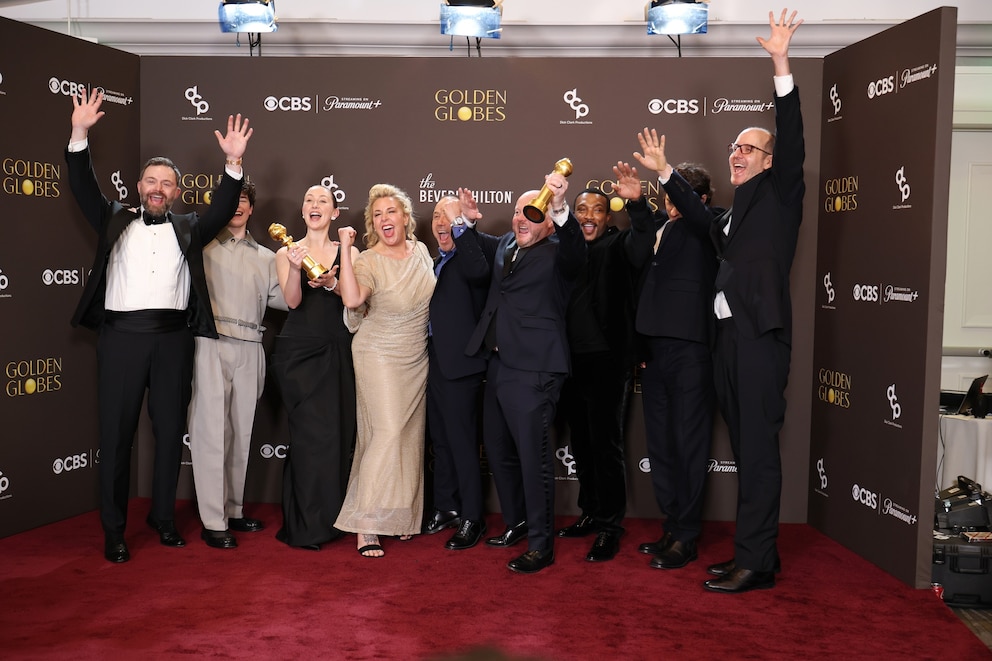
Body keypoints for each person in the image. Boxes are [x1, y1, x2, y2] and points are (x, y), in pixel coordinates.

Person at [632, 8, 806, 593]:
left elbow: (792, 134)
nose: (737, 153)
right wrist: (665, 173)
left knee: (756, 454)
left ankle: (756, 563)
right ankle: (754, 555)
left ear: (770, 161)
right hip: (726, 343)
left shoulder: (781, 196)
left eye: (749, 148)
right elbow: (699, 215)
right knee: (747, 450)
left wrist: (780, 64)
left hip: (759, 340)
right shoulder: (730, 217)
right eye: (734, 146)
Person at [65, 88, 252, 564]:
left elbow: (222, 208)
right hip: (121, 339)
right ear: (138, 186)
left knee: (170, 434)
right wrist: (80, 131)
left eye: (167, 183)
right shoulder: (113, 219)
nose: (158, 188)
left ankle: (163, 519)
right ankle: (114, 530)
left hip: (173, 340)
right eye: (151, 180)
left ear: (176, 192)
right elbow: (83, 186)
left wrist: (233, 164)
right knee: (116, 437)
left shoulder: (189, 227)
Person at [465, 171, 587, 574]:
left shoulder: (561, 253)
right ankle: (516, 522)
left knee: (534, 460)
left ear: (549, 221)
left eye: (533, 212)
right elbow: (482, 248)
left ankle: (540, 545)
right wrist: (467, 223)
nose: (522, 218)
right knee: (498, 450)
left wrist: (560, 206)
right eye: (518, 211)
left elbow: (576, 248)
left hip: (535, 368)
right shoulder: (506, 244)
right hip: (498, 364)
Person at [614, 160, 720, 571]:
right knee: (660, 443)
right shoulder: (660, 225)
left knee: (688, 442)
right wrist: (638, 205)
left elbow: (691, 213)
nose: (670, 206)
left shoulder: (710, 222)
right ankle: (673, 526)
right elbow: (638, 246)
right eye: (666, 200)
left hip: (691, 349)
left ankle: (687, 535)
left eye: (677, 199)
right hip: (653, 351)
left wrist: (667, 178)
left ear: (700, 199)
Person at [335, 184, 436, 558]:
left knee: (409, 435)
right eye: (377, 215)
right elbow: (351, 299)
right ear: (372, 223)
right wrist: (345, 248)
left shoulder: (421, 251)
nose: (384, 219)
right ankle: (366, 523)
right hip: (378, 352)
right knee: (387, 432)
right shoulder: (367, 260)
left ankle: (398, 516)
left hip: (416, 353)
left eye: (390, 212)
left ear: (405, 217)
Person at [188, 179, 287, 550]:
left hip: (252, 346)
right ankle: (213, 521)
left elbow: (286, 301)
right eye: (232, 200)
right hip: (210, 343)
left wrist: (299, 266)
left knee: (241, 433)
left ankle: (233, 510)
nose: (237, 206)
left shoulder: (266, 257)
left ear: (251, 208)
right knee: (211, 433)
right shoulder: (200, 248)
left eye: (244, 200)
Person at [555, 187, 652, 562]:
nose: (588, 216)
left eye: (596, 210)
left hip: (607, 364)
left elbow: (642, 240)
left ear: (608, 218)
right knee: (581, 444)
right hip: (570, 362)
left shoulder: (619, 245)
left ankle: (610, 527)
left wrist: (637, 205)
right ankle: (591, 513)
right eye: (581, 209)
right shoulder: (565, 249)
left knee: (605, 446)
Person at [271, 184, 357, 551]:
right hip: (300, 353)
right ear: (303, 211)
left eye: (323, 200)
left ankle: (332, 520)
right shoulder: (286, 251)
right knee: (309, 437)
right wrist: (294, 268)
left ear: (335, 213)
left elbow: (354, 300)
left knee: (337, 435)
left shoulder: (349, 251)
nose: (315, 204)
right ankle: (305, 526)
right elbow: (292, 301)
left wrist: (333, 281)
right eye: (309, 200)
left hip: (339, 348)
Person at [424, 192, 497, 550]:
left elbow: (479, 272)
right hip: (434, 361)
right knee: (441, 440)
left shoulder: (473, 252)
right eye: (437, 215)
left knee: (463, 443)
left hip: (462, 365)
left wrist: (463, 226)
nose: (442, 222)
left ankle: (472, 516)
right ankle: (446, 506)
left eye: (449, 216)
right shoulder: (434, 261)